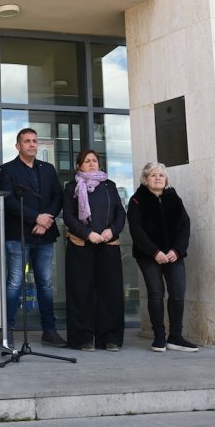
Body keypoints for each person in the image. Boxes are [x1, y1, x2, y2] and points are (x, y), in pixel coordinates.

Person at [0, 128, 66, 349]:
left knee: (45, 284)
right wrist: (36, 218)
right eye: (27, 141)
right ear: (18, 146)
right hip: (17, 235)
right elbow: (8, 202)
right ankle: (7, 332)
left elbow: (58, 196)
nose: (32, 145)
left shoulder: (48, 169)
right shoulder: (7, 170)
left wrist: (46, 220)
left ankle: (49, 330)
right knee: (15, 283)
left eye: (35, 141)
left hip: (45, 235)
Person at [128, 162, 198, 352]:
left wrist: (176, 250)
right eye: (153, 175)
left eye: (161, 175)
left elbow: (185, 225)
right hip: (148, 255)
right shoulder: (136, 200)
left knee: (177, 293)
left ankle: (176, 337)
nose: (158, 178)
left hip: (173, 254)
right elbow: (136, 230)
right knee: (156, 293)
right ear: (145, 179)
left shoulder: (174, 198)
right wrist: (155, 252)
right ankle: (159, 336)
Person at [62, 149, 126, 352]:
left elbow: (120, 213)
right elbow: (69, 216)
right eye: (87, 161)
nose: (91, 164)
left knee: (111, 292)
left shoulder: (110, 186)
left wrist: (111, 231)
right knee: (81, 292)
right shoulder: (72, 187)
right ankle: (83, 337)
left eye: (94, 161)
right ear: (79, 165)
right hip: (81, 245)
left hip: (107, 244)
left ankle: (110, 338)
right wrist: (88, 233)